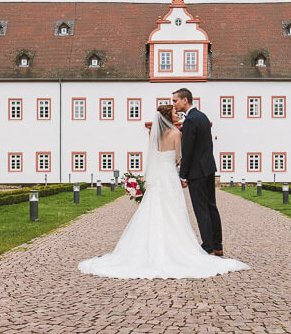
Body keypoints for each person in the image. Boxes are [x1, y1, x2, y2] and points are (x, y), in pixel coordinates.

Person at [78, 104, 248, 279]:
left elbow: (155, 158)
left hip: (157, 179)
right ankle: (179, 247)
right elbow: (180, 157)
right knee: (173, 210)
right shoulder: (176, 134)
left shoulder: (155, 136)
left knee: (152, 210)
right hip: (169, 177)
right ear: (169, 117)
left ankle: (147, 249)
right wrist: (184, 174)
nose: (178, 113)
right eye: (175, 112)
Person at [172, 87, 224, 255]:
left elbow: (188, 150)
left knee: (201, 209)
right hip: (208, 168)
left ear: (185, 100)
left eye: (175, 101)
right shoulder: (202, 117)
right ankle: (218, 245)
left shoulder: (190, 121)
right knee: (211, 207)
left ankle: (208, 247)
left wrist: (183, 175)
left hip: (196, 172)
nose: (174, 104)